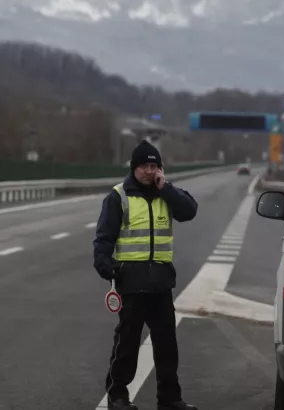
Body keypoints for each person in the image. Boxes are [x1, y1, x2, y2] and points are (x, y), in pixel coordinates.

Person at [93, 140, 199, 410]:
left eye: (154, 166)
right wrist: (105, 265)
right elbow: (104, 238)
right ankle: (117, 396)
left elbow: (190, 211)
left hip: (161, 285)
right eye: (145, 166)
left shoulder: (167, 195)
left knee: (167, 347)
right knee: (126, 345)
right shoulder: (118, 197)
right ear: (134, 168)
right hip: (131, 284)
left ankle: (170, 399)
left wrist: (167, 189)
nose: (150, 171)